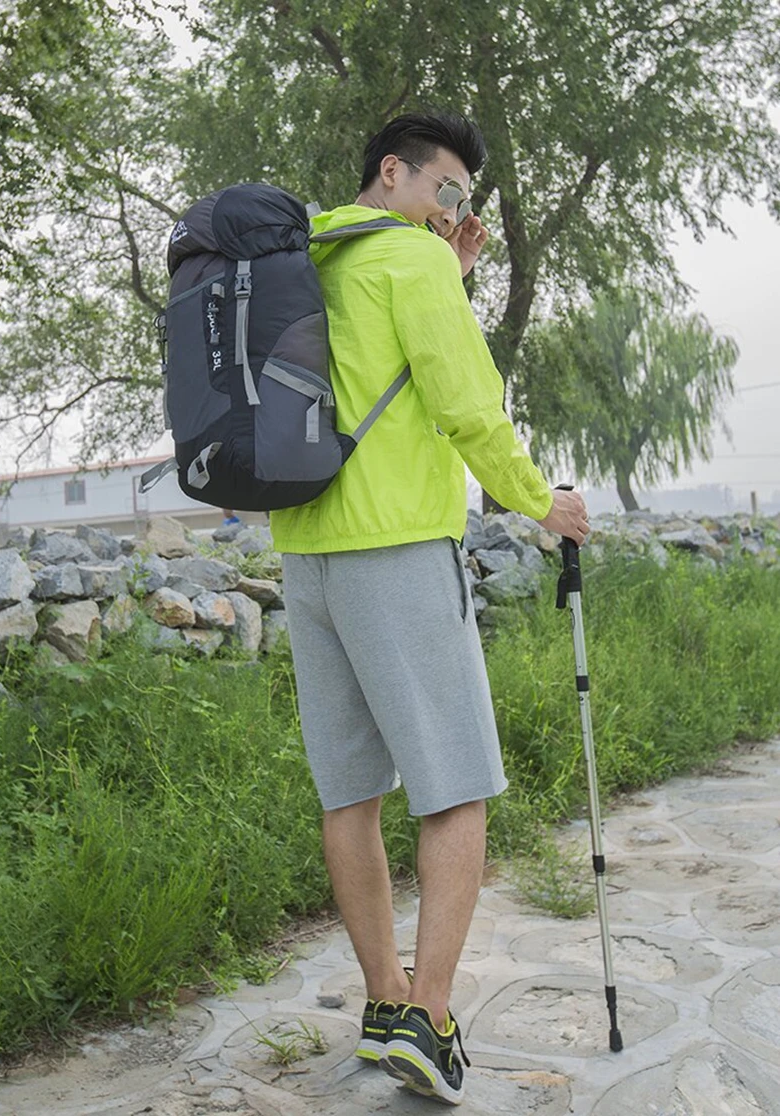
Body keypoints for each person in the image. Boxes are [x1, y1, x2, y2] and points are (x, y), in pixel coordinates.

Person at [269, 112, 589, 1105]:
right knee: (456, 785)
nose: (454, 208)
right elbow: (464, 404)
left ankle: (384, 1003)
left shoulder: (308, 256)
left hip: (307, 554)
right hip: (398, 547)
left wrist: (450, 272)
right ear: (393, 171)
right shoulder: (410, 262)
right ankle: (431, 1016)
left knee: (350, 793)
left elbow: (369, 374)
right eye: (445, 188)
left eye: (463, 198)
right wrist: (540, 503)